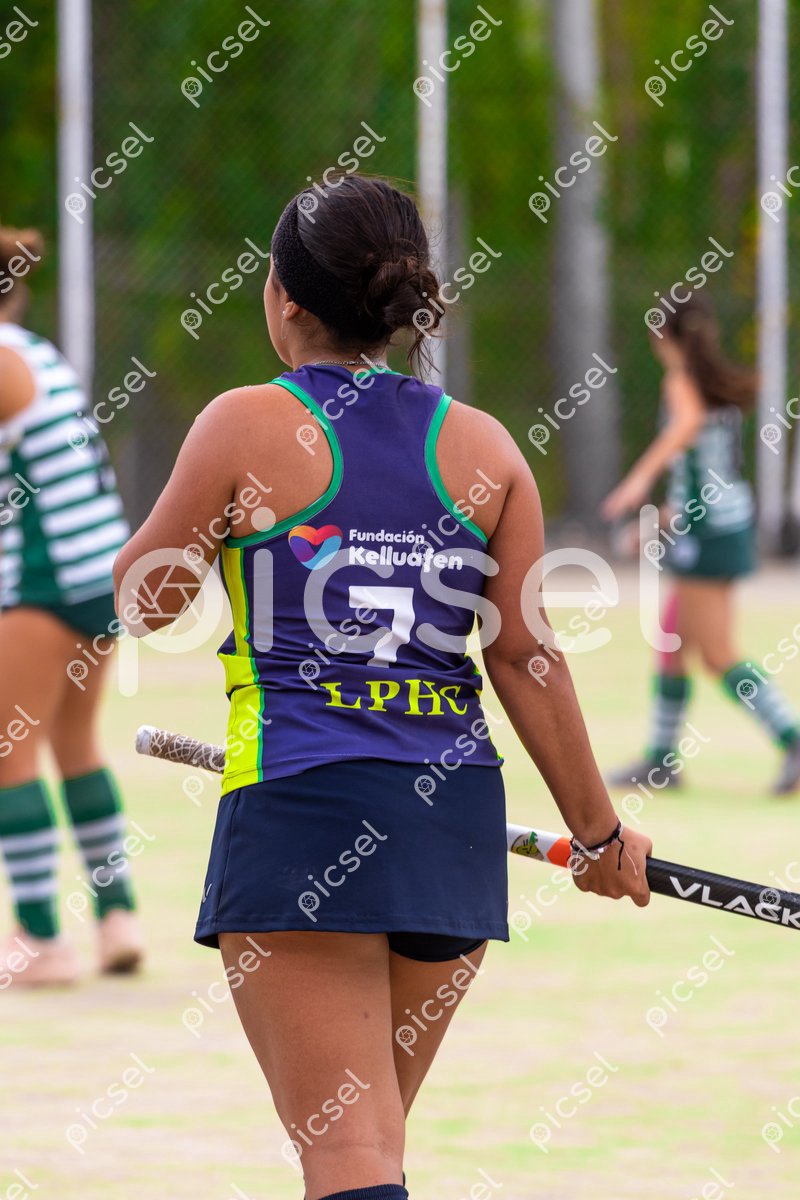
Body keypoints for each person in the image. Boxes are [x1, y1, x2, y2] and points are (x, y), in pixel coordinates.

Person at [114, 175, 651, 1200]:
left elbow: (146, 603)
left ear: (283, 299)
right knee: (368, 1153)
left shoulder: (241, 424)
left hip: (303, 807)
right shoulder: (486, 447)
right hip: (449, 826)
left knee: (349, 1159)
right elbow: (525, 658)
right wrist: (598, 834)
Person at [0, 226, 144, 985]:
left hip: (44, 581)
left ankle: (40, 939)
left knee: (10, 751)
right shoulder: (35, 352)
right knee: (75, 740)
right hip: (98, 574)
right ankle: (118, 918)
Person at [603, 295, 800, 795]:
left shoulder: (681, 382)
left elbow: (686, 430)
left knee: (716, 653)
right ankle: (661, 761)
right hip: (715, 525)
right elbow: (701, 474)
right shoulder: (707, 382)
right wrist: (658, 521)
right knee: (671, 643)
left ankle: (794, 741)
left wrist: (638, 479)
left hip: (710, 534)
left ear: (662, 335)